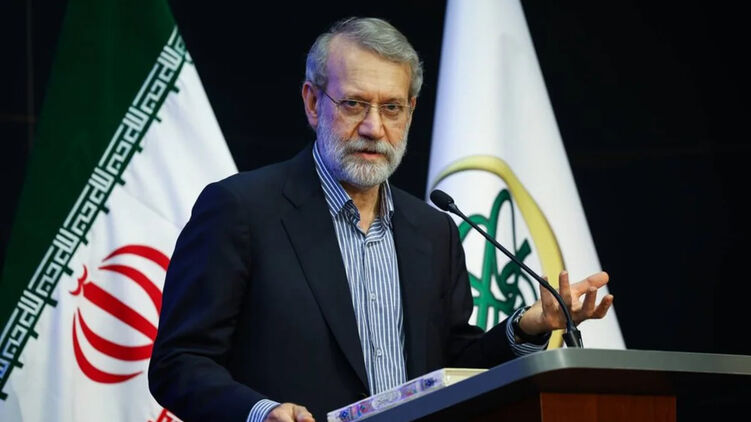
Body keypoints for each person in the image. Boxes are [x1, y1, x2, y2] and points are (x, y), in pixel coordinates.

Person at [148, 17, 613, 422]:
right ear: (313, 103)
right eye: (354, 104)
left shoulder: (433, 230)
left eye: (391, 107)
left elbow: (453, 366)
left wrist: (529, 325)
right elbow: (179, 362)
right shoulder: (240, 210)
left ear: (410, 111)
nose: (374, 128)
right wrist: (260, 412)